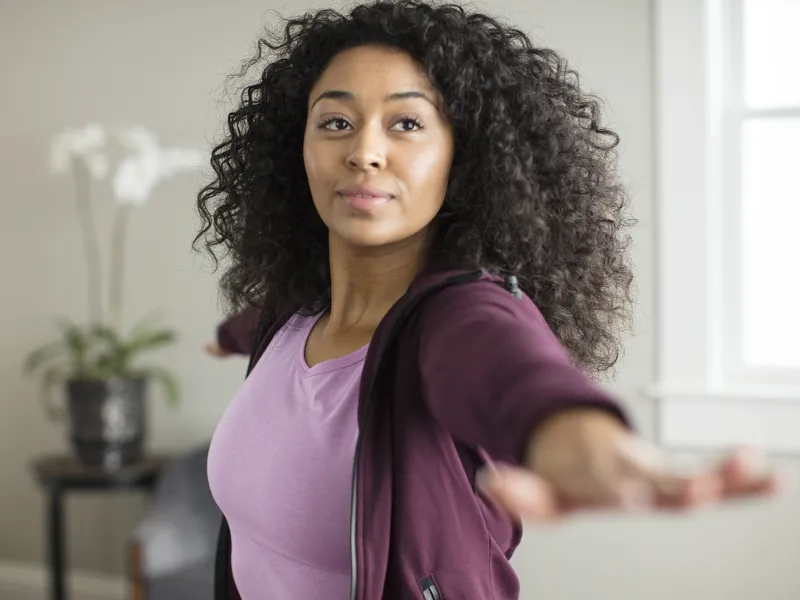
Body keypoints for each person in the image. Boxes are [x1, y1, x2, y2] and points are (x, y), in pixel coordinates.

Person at [195, 2, 782, 598]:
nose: (365, 151)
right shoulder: (290, 315)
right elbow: (263, 329)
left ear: (464, 156)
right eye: (336, 123)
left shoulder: (455, 317)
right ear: (299, 151)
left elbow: (505, 367)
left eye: (407, 124)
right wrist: (226, 337)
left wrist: (571, 433)